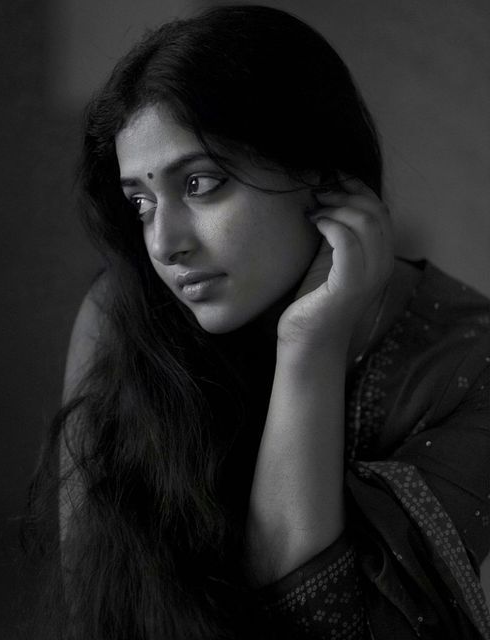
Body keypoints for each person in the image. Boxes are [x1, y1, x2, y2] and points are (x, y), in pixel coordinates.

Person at [28, 5, 490, 639]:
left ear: (322, 174)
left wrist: (309, 348)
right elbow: (95, 623)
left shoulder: (472, 363)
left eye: (200, 183)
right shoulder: (123, 318)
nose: (163, 244)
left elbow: (321, 625)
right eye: (141, 201)